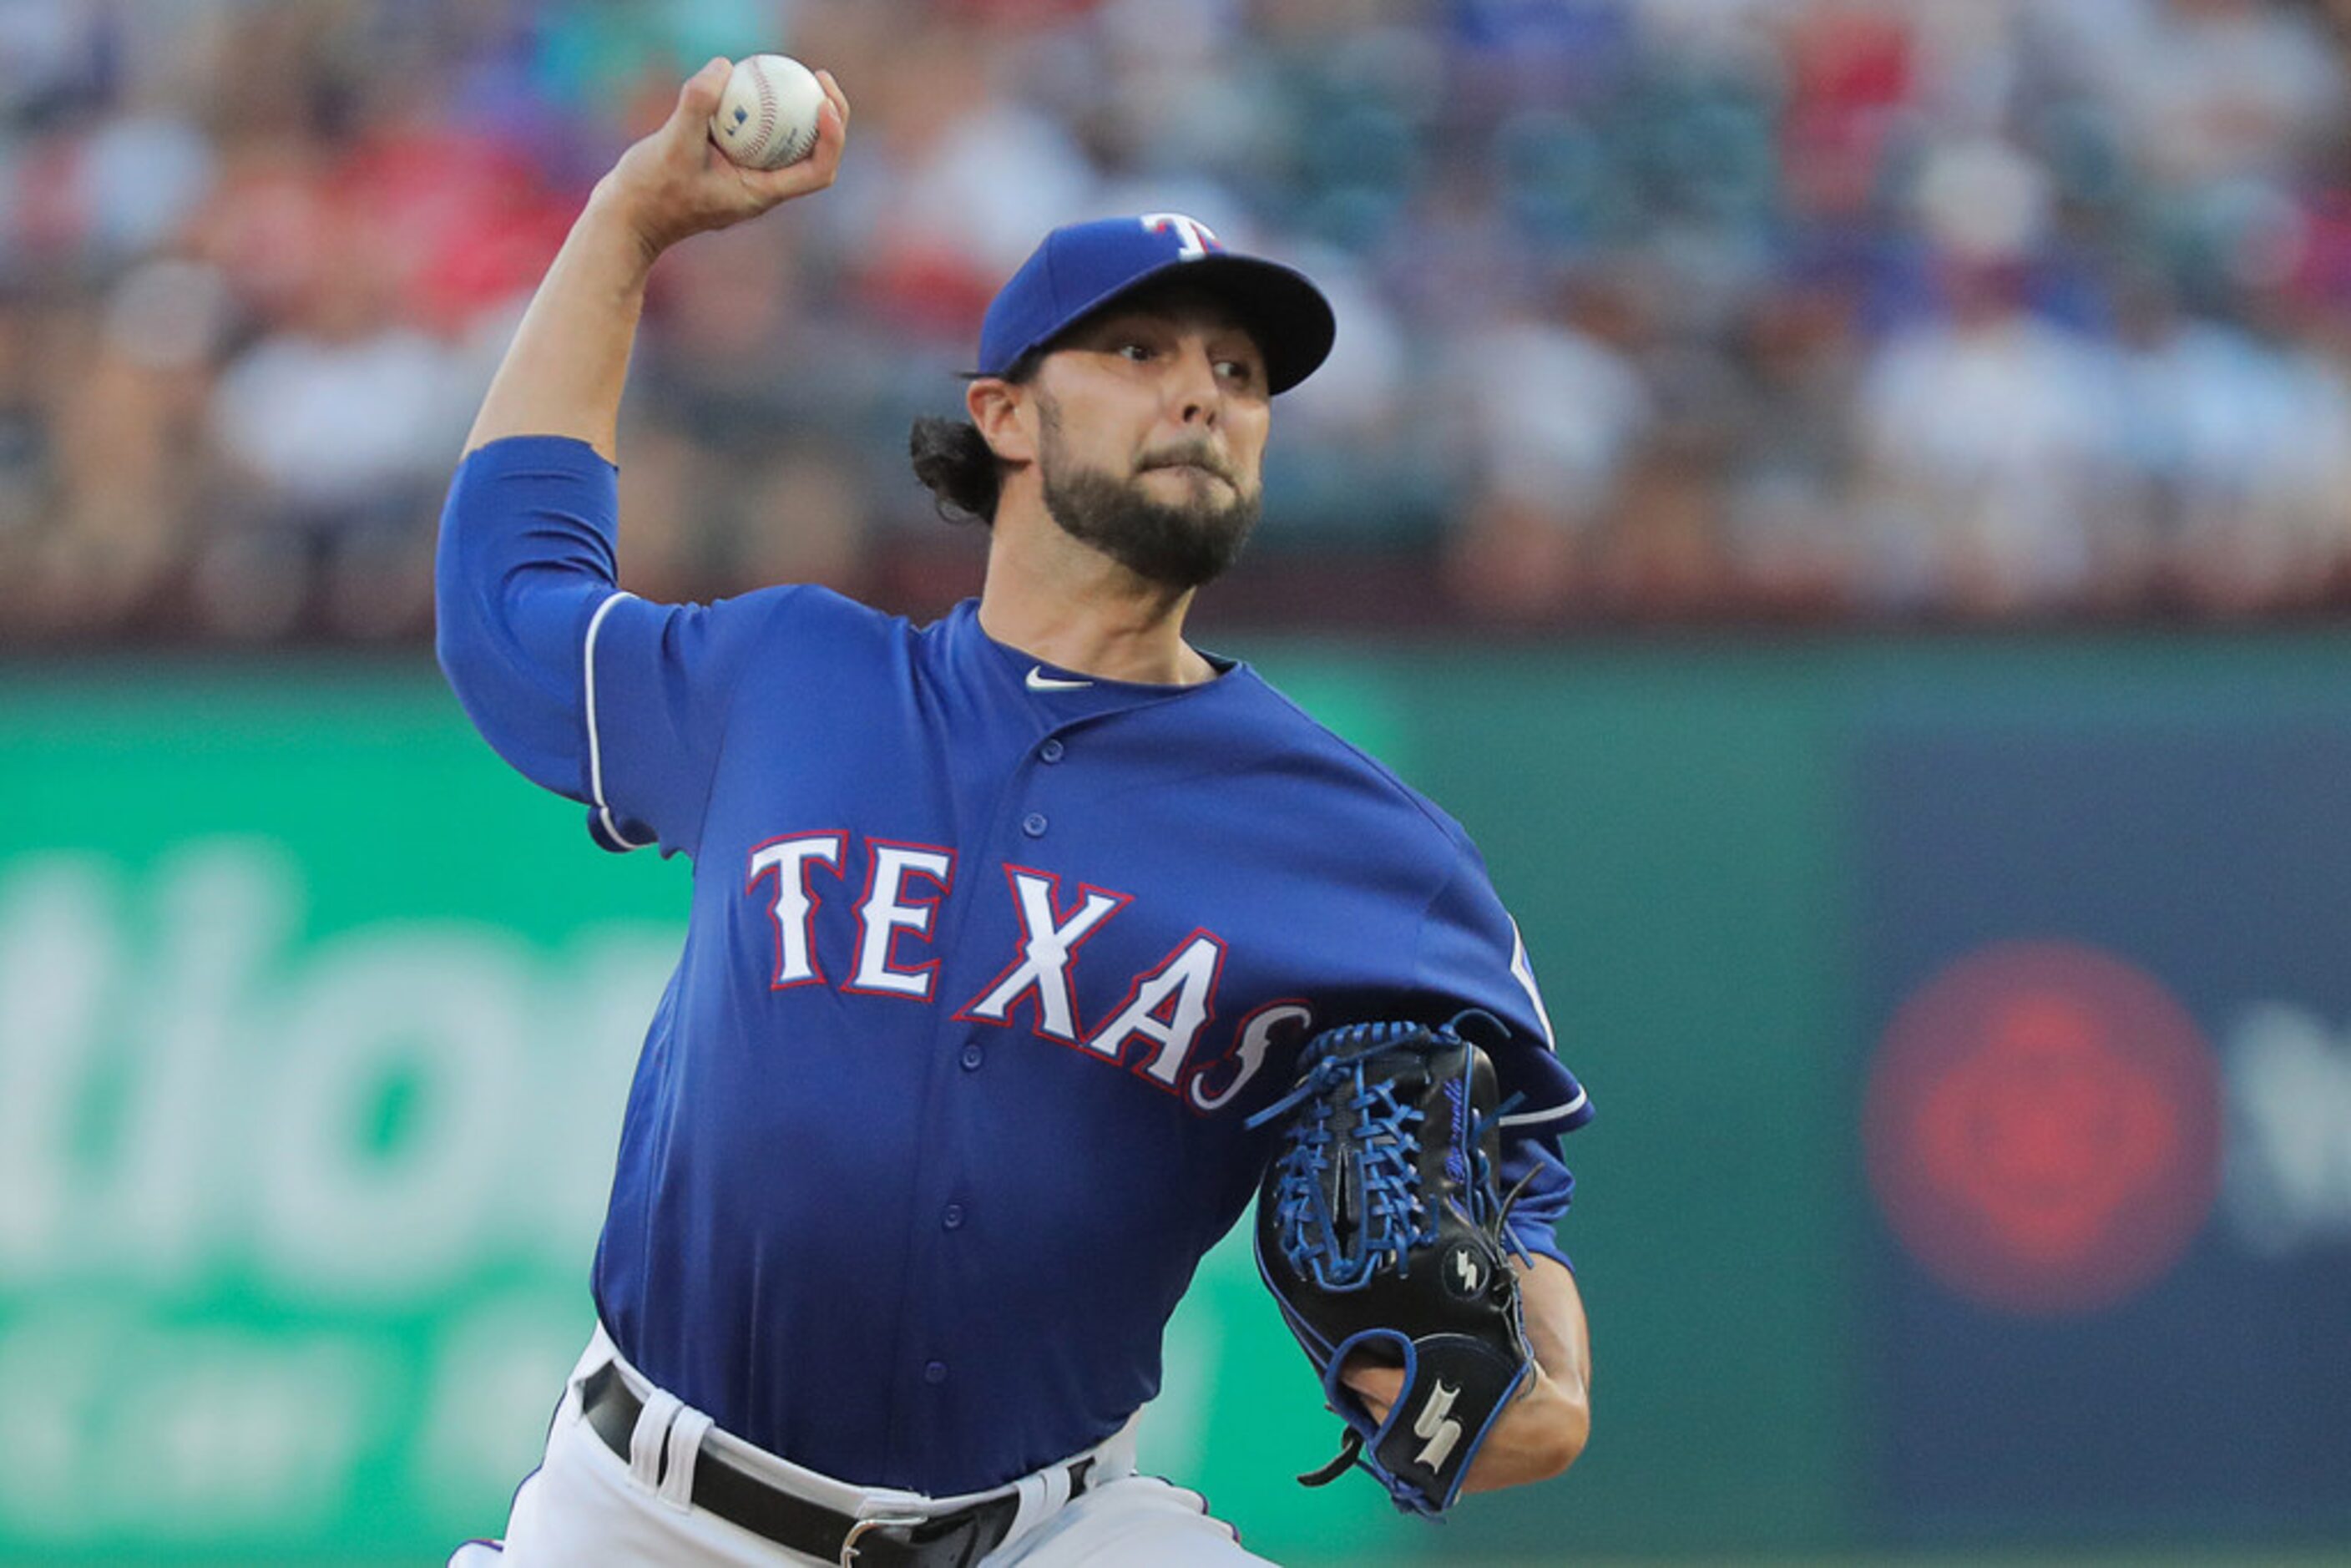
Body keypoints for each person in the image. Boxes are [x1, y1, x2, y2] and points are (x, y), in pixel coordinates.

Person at [436, 58, 1592, 1568]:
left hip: (1053, 1534)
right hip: (652, 1518)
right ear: (1005, 415)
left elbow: (1517, 1191)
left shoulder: (1371, 850)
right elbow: (508, 604)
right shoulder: (788, 675)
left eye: (1241, 375)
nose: (1203, 391)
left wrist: (1538, 1384)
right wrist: (624, 226)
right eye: (1137, 350)